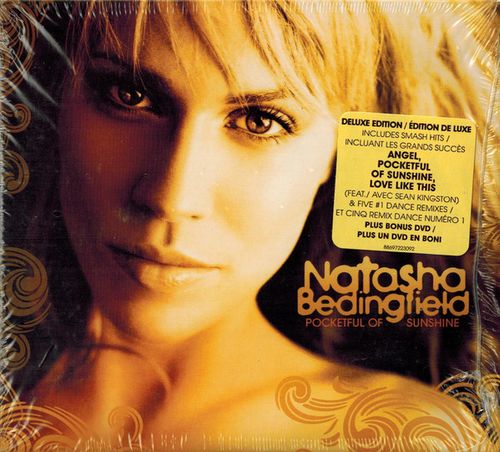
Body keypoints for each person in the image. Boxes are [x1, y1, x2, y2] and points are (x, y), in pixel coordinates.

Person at [13, 0, 496, 449]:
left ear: (342, 150)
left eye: (260, 121)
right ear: (60, 96)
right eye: (129, 95)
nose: (172, 199)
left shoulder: (398, 436)